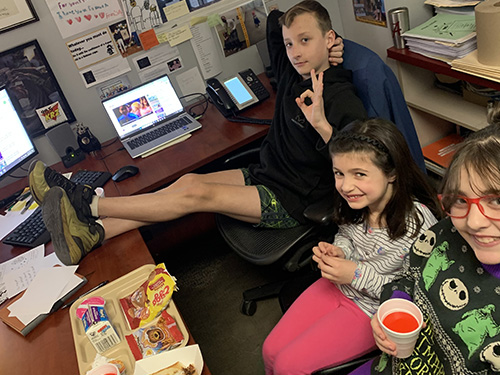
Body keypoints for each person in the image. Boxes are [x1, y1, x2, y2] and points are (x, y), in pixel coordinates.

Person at [29, 0, 367, 266]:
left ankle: (91, 204)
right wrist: (322, 46)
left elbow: (359, 164)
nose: (295, 51)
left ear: (329, 39)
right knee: (189, 181)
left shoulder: (340, 97)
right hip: (265, 174)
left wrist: (322, 125)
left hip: (292, 200)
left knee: (196, 198)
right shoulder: (293, 72)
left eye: (306, 41)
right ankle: (93, 234)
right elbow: (275, 19)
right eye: (291, 43)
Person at [262, 116, 441, 375]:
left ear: (392, 173)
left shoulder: (419, 225)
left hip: (371, 309)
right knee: (270, 350)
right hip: (337, 287)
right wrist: (340, 250)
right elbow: (345, 233)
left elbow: (418, 295)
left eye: (359, 174)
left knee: (289, 366)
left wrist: (355, 274)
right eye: (339, 173)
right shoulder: (357, 204)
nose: (346, 186)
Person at [348, 102, 500, 375]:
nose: (474, 222)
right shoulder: (445, 233)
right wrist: (394, 304)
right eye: (460, 200)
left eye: (497, 200)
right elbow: (408, 277)